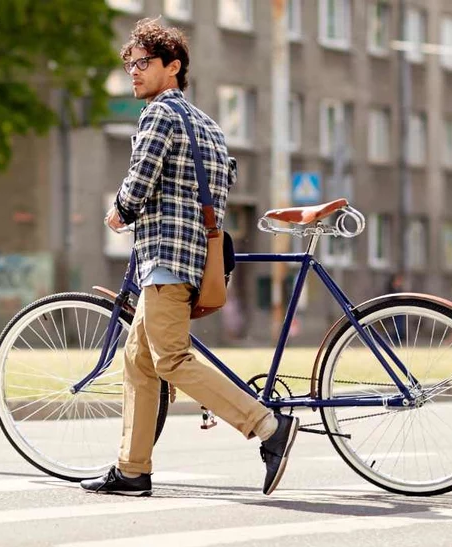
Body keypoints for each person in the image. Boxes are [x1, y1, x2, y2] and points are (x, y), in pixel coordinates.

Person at [82, 18, 298, 498]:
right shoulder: (210, 125)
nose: (134, 72)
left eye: (144, 63)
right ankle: (132, 469)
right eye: (130, 64)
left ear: (173, 67)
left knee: (172, 359)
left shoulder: (159, 114)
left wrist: (118, 212)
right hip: (198, 258)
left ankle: (267, 427)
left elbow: (140, 179)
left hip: (164, 256)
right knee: (139, 359)